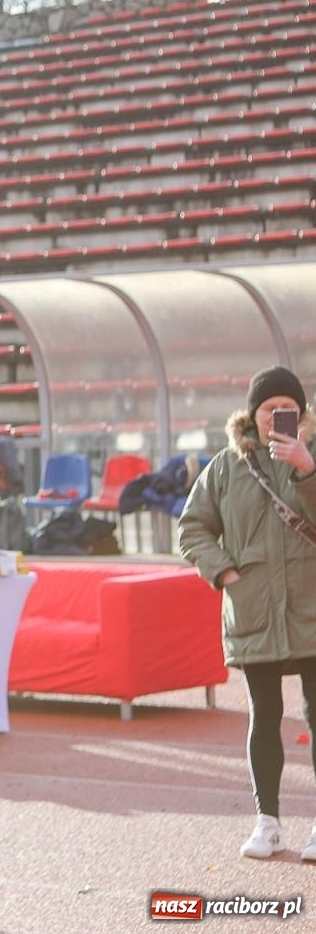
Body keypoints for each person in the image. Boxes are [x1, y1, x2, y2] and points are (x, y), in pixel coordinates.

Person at [179, 366, 316, 862]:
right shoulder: (224, 467)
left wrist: (306, 468)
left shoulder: (311, 455)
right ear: (252, 414)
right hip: (254, 608)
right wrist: (225, 573)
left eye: (288, 410)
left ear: (301, 414)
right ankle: (268, 821)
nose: (277, 417)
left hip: (311, 604)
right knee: (264, 715)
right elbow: (190, 529)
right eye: (267, 409)